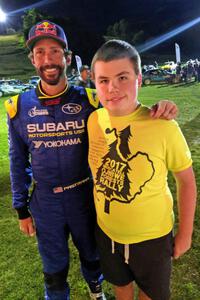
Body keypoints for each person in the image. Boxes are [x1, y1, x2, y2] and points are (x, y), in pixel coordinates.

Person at [5, 20, 177, 300]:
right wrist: (21, 208)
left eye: (55, 52)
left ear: (67, 58)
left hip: (85, 195)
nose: (48, 60)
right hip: (45, 201)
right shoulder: (18, 107)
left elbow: (124, 109)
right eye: (40, 53)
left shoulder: (90, 100)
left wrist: (157, 109)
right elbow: (17, 161)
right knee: (53, 264)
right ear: (32, 59)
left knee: (92, 255)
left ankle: (96, 293)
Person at [87, 40, 197, 300]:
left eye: (122, 77)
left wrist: (185, 232)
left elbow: (186, 181)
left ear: (138, 78)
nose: (112, 88)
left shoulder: (163, 126)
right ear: (94, 82)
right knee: (121, 289)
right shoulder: (94, 120)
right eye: (103, 80)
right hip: (107, 232)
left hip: (152, 238)